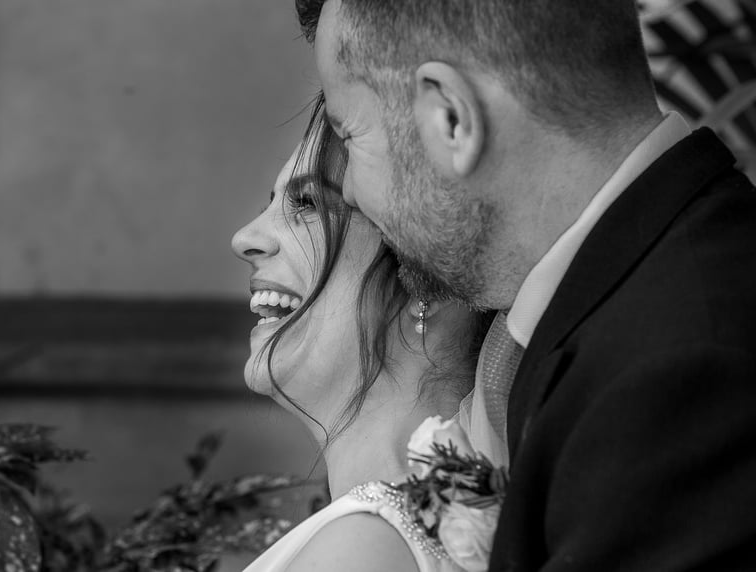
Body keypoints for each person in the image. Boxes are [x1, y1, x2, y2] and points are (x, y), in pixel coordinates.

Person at [296, 0, 756, 570]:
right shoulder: (619, 302)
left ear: (452, 117)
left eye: (349, 135)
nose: (350, 192)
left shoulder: (679, 371)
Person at [231, 95, 492, 571]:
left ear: (429, 273)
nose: (245, 238)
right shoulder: (397, 531)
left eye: (307, 203)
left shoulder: (363, 550)